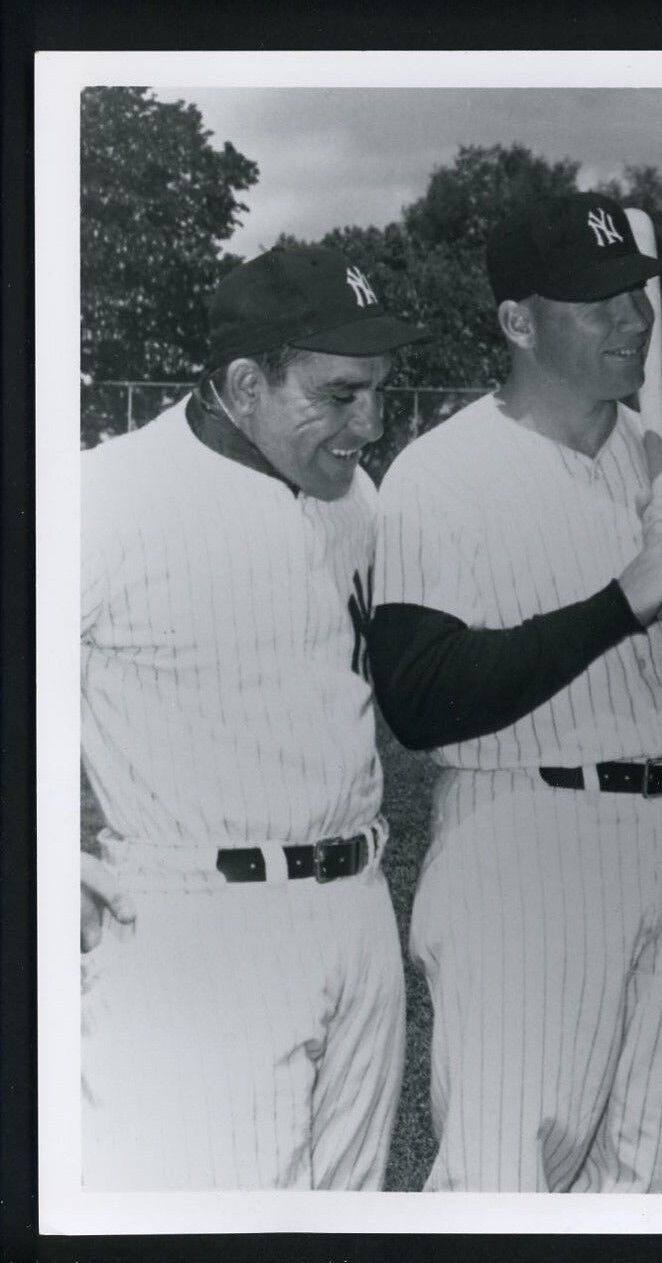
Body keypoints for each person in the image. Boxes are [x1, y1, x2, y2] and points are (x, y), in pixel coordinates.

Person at [368, 191, 662, 1193]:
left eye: (638, 293)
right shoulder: (442, 474)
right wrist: (619, 603)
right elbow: (419, 699)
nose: (634, 320)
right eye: (598, 302)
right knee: (506, 1174)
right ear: (518, 320)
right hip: (522, 837)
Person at [79, 245, 428, 1188]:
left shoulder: (354, 495)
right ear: (245, 382)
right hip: (199, 929)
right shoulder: (105, 496)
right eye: (340, 394)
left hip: (358, 907)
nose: (372, 422)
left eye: (382, 391)